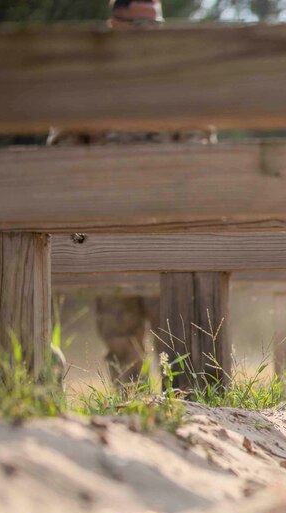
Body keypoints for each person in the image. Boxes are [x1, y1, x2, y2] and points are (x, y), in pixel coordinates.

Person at [47, 0, 215, 385]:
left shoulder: (179, 83)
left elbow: (201, 153)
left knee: (180, 341)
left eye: (153, 25)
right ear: (113, 25)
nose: (145, 34)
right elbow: (62, 156)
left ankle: (190, 420)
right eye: (136, 24)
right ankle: (131, 417)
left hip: (168, 227)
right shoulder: (88, 84)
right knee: (121, 344)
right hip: (110, 230)